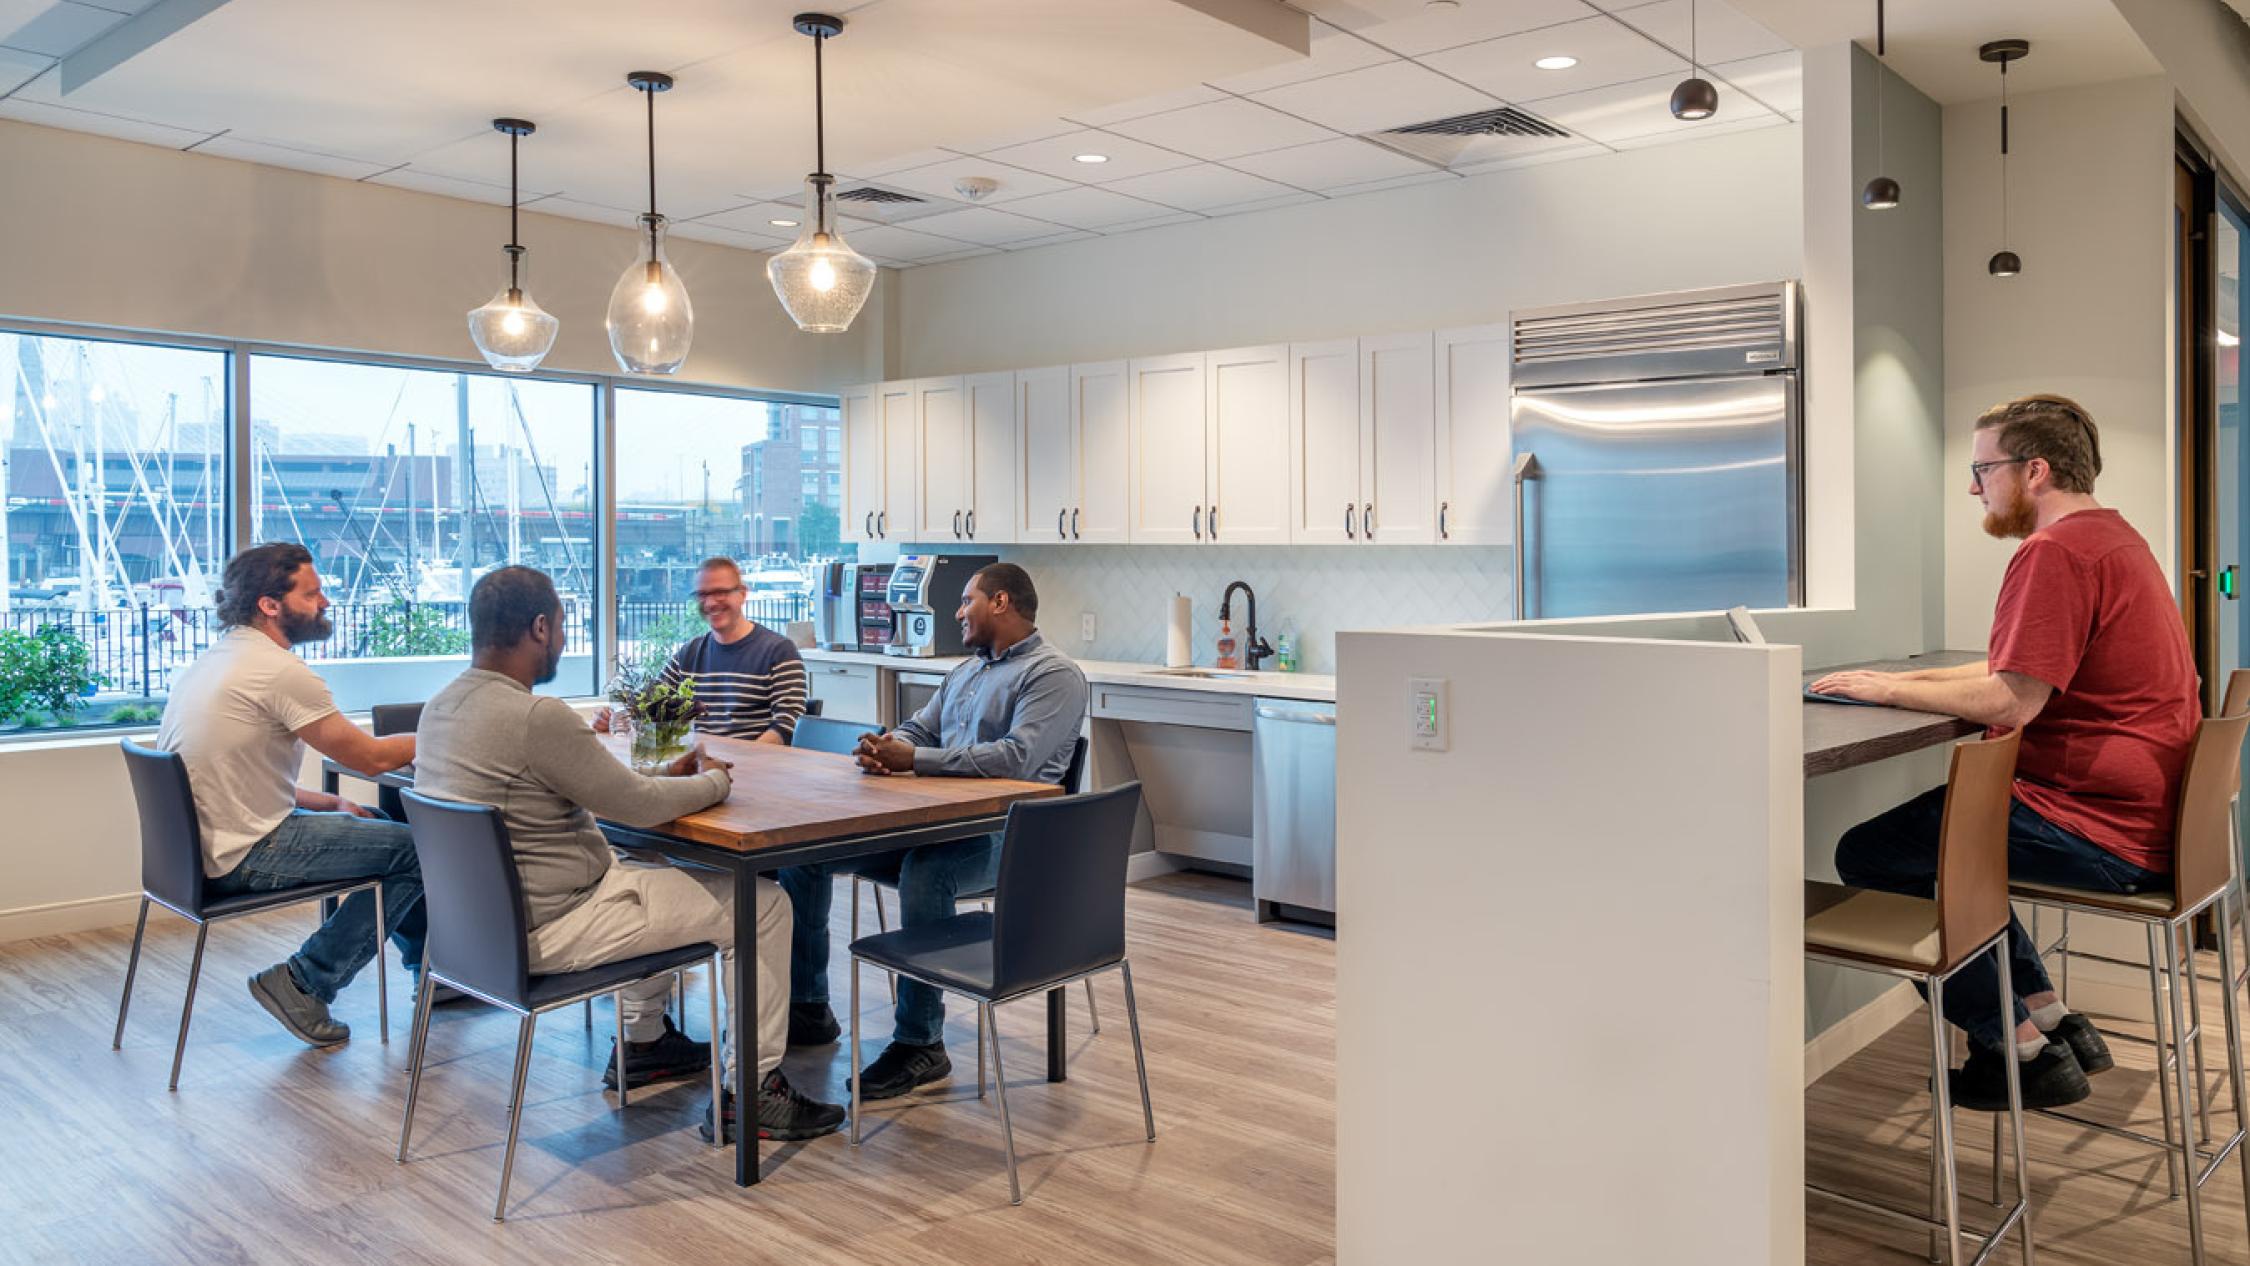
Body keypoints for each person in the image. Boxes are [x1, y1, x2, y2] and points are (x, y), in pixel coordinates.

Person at [1811, 394, 2201, 1112]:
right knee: (1954, 856)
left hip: (2097, 831)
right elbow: (2009, 667)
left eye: (1982, 468)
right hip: (2141, 821)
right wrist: (1896, 682)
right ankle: (2050, 1018)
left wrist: (1892, 695)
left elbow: (2012, 701)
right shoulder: (2115, 540)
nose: (1972, 487)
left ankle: (2014, 1047)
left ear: (2035, 472)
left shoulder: (2053, 552)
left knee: (1873, 854)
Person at [411, 566, 842, 1142]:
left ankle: (644, 1045)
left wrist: (668, 775)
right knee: (763, 905)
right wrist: (714, 782)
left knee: (651, 866)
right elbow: (637, 806)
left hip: (481, 936)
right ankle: (752, 1091)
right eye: (562, 624)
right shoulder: (537, 716)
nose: (563, 638)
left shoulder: (439, 708)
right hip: (560, 924)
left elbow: (610, 789)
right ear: (540, 627)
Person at [778, 563, 1088, 1100]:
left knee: (929, 872)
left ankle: (921, 1044)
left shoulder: (1052, 675)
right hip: (936, 823)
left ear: (1001, 603)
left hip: (1010, 838)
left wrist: (914, 759)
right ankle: (808, 1010)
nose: (956, 610)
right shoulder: (966, 671)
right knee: (805, 854)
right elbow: (921, 727)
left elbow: (1017, 758)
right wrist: (886, 743)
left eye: (966, 600)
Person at [155, 542, 423, 1048]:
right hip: (248, 852)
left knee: (395, 839)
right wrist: (442, 732)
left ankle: (432, 974)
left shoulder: (217, 660)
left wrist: (332, 803)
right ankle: (306, 980)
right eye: (313, 593)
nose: (325, 603)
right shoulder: (277, 671)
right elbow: (367, 759)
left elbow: (238, 779)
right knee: (418, 850)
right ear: (269, 604)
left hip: (204, 851)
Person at [594, 557, 807, 745]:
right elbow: (650, 707)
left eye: (720, 592)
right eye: (702, 595)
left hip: (758, 772)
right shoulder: (689, 654)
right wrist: (614, 719)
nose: (711, 602)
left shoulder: (779, 652)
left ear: (742, 594)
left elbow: (789, 725)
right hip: (698, 768)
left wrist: (745, 759)